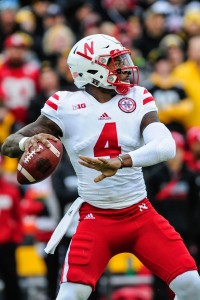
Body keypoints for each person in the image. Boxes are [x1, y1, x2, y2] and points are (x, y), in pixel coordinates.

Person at [1, 34, 200, 300]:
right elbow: (9, 145)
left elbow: (165, 146)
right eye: (114, 62)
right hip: (96, 218)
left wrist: (122, 161)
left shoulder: (138, 97)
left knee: (191, 285)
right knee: (71, 295)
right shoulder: (65, 105)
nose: (124, 67)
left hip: (140, 213)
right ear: (91, 69)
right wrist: (28, 141)